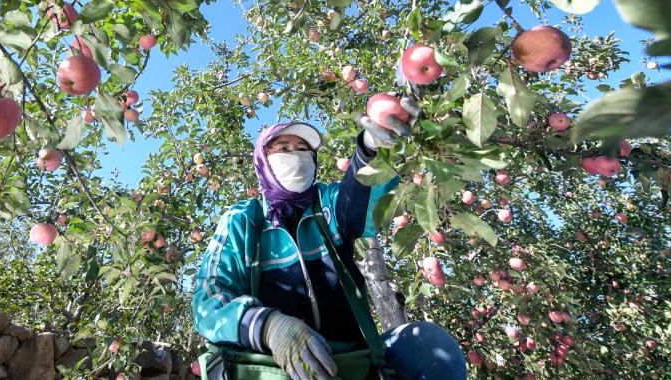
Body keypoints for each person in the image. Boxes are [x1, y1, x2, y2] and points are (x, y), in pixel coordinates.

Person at [192, 102, 466, 379]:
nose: (295, 156)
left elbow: (360, 201)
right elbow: (208, 303)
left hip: (351, 357)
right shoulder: (244, 220)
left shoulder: (328, 204)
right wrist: (268, 326)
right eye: (283, 149)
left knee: (428, 345)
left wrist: (373, 147)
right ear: (263, 160)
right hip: (274, 364)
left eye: (302, 149)